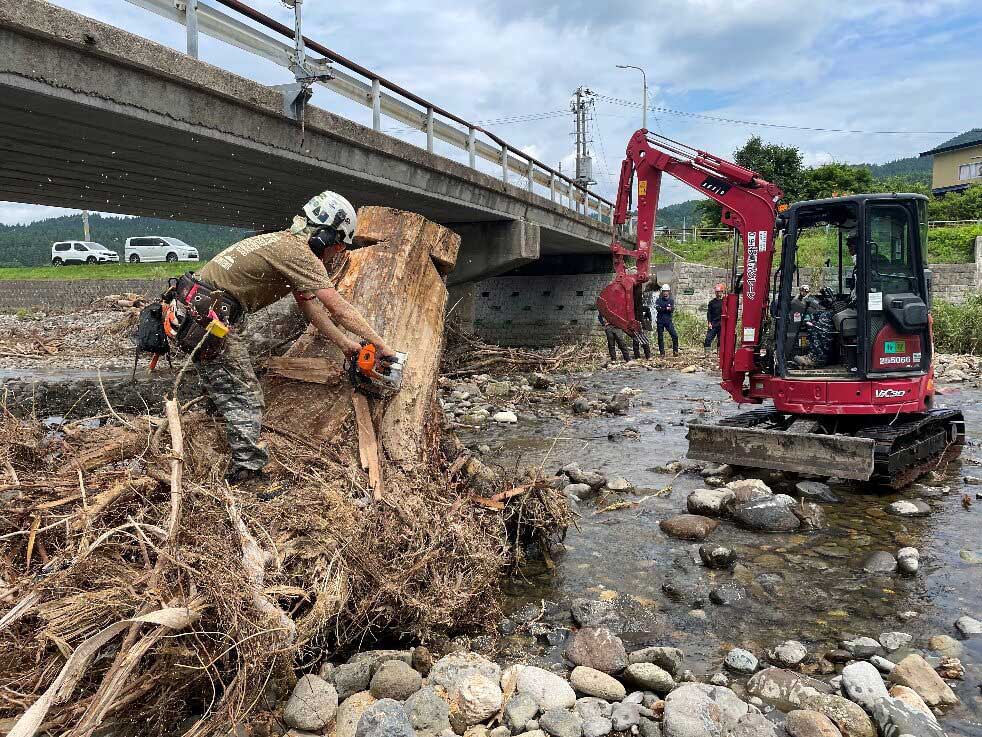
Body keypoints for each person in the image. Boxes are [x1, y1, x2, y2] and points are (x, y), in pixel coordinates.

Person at [192, 190, 396, 484]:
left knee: (226, 386)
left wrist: (347, 345)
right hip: (209, 319)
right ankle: (246, 475)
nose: (336, 253)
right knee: (247, 396)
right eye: (337, 246)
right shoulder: (299, 253)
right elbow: (339, 309)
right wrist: (384, 347)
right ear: (324, 237)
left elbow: (311, 308)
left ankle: (210, 438)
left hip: (198, 313)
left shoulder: (283, 244)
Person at [654, 284, 679, 357]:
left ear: (669, 292)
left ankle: (675, 352)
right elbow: (658, 309)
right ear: (662, 292)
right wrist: (666, 308)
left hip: (668, 322)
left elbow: (671, 310)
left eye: (666, 291)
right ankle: (662, 353)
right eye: (664, 291)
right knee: (660, 338)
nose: (665, 293)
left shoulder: (671, 300)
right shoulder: (658, 300)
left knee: (675, 336)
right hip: (660, 322)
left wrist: (664, 308)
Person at [704, 283, 724, 355]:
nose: (718, 293)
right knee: (708, 339)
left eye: (719, 291)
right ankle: (707, 354)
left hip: (722, 324)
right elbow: (709, 313)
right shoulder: (712, 302)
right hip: (713, 324)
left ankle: (720, 354)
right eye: (717, 292)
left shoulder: (725, 302)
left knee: (721, 340)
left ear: (722, 292)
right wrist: (709, 323)